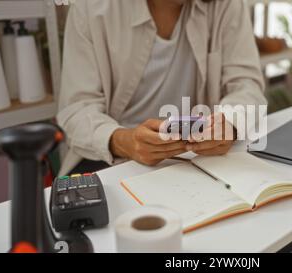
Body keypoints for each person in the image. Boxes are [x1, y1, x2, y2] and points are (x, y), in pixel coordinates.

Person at [57, 0, 266, 176]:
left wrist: (230, 122)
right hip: (112, 159)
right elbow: (77, 109)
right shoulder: (90, 8)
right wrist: (124, 141)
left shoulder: (225, 5)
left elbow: (247, 84)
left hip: (194, 160)